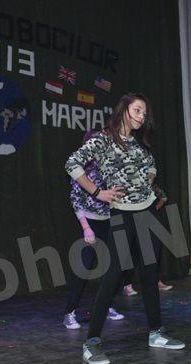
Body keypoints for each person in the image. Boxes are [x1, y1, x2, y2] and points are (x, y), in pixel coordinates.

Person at [65, 93, 185, 364]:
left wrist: (146, 180)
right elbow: (72, 164)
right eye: (138, 110)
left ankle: (156, 333)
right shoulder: (103, 139)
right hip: (121, 213)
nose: (142, 116)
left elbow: (151, 166)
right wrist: (98, 192)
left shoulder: (138, 143)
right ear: (124, 110)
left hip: (147, 211)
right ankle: (91, 342)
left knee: (150, 272)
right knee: (113, 274)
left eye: (144, 112)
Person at [63, 130, 125, 330]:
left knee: (112, 268)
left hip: (109, 221)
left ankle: (107, 306)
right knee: (84, 268)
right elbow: (76, 200)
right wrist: (86, 228)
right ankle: (69, 313)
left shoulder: (108, 167)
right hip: (90, 222)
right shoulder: (81, 170)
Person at [123, 182, 173, 296]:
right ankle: (127, 285)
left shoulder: (149, 184)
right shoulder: (126, 183)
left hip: (146, 221)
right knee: (132, 254)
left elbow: (164, 197)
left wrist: (154, 209)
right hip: (130, 220)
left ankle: (156, 281)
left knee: (152, 255)